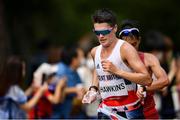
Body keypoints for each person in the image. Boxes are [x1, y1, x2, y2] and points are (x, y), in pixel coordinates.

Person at [82, 8, 152, 119]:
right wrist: (93, 89)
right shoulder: (95, 51)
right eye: (97, 32)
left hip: (130, 111)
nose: (101, 36)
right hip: (105, 110)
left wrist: (117, 71)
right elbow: (98, 68)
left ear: (114, 28)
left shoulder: (125, 49)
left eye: (104, 32)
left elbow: (147, 79)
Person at [118, 19, 169, 119]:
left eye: (134, 44)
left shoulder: (149, 58)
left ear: (139, 40)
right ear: (120, 43)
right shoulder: (114, 60)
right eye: (127, 45)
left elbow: (164, 80)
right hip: (123, 114)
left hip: (148, 113)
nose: (131, 48)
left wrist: (144, 88)